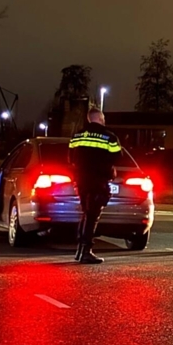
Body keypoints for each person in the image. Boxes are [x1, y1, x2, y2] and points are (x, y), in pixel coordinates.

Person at [68, 107, 122, 264]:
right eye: (103, 118)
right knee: (93, 215)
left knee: (86, 212)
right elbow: (118, 156)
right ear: (100, 118)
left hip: (81, 179)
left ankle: (80, 249)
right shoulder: (109, 137)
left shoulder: (77, 136)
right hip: (98, 180)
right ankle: (86, 251)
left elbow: (70, 158)